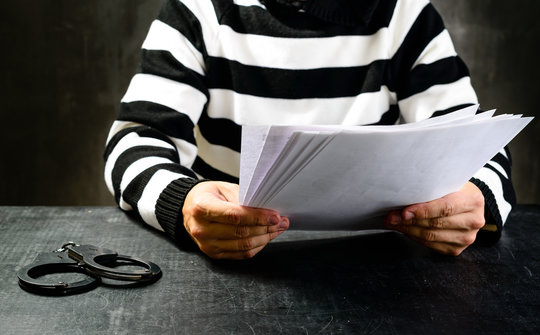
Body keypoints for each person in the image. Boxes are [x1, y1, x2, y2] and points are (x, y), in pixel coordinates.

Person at [104, 0, 515, 259]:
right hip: (235, 254)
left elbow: (475, 139)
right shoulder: (198, 11)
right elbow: (135, 139)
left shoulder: (405, 14)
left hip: (377, 261)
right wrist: (186, 202)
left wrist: (475, 197)